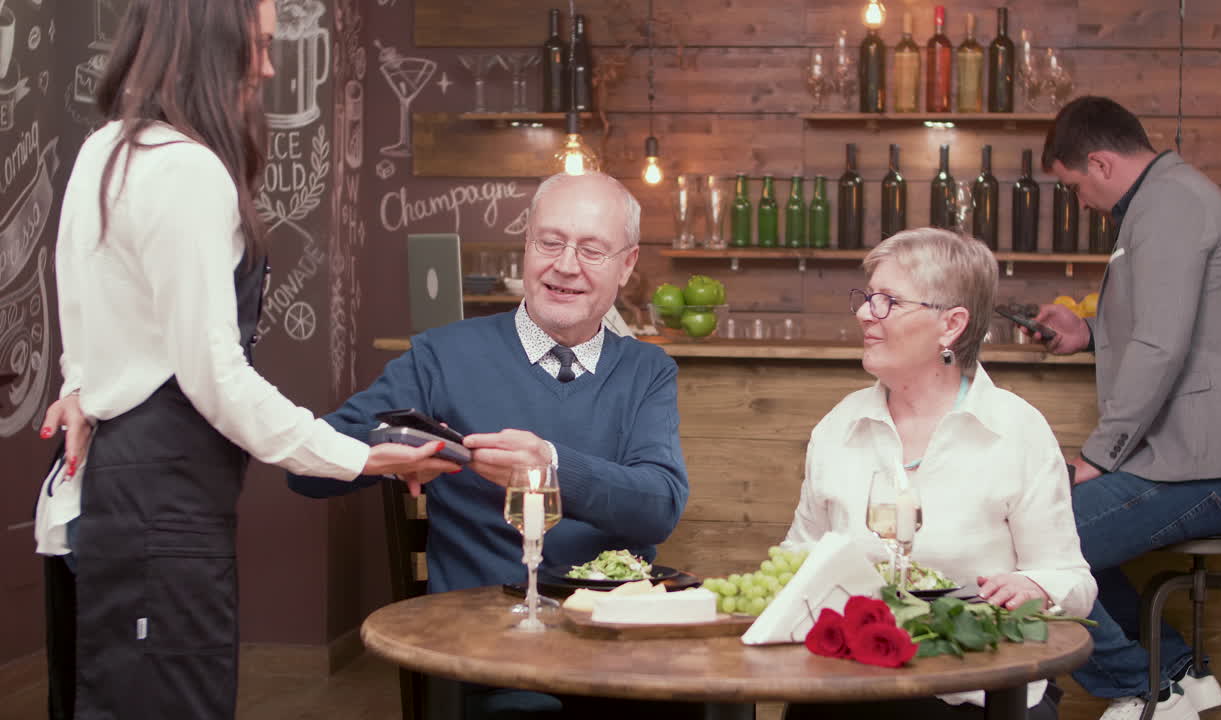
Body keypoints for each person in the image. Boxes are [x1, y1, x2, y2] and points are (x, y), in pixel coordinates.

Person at [39, 1, 450, 717]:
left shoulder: (104, 149)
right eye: (256, 46)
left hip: (93, 501)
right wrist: (359, 456)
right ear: (208, 43)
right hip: (161, 512)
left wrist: (81, 386)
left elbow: (94, 313)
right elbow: (216, 376)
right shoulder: (188, 171)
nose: (266, 67)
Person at [288, 171, 690, 716]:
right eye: (550, 242)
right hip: (483, 653)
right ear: (526, 246)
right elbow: (306, 467)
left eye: (592, 250)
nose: (565, 265)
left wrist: (551, 465)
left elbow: (659, 507)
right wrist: (380, 454)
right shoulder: (440, 356)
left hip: (614, 649)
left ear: (626, 265)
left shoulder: (647, 371)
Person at [1032, 96, 1221, 720]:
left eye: (1075, 187)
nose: (1081, 203)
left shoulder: (1170, 204)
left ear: (1100, 163)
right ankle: (1173, 675)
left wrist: (1099, 455)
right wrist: (1089, 333)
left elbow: (1161, 346)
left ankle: (1146, 690)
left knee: (1033, 539)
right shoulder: (1166, 199)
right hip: (1202, 462)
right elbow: (1177, 328)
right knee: (1038, 527)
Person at [782, 228, 1096, 720]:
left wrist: (1037, 588)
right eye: (867, 297)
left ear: (951, 325)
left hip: (977, 692)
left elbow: (1072, 581)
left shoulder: (1016, 430)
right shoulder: (839, 426)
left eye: (888, 301)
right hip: (849, 685)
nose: (865, 313)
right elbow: (798, 557)